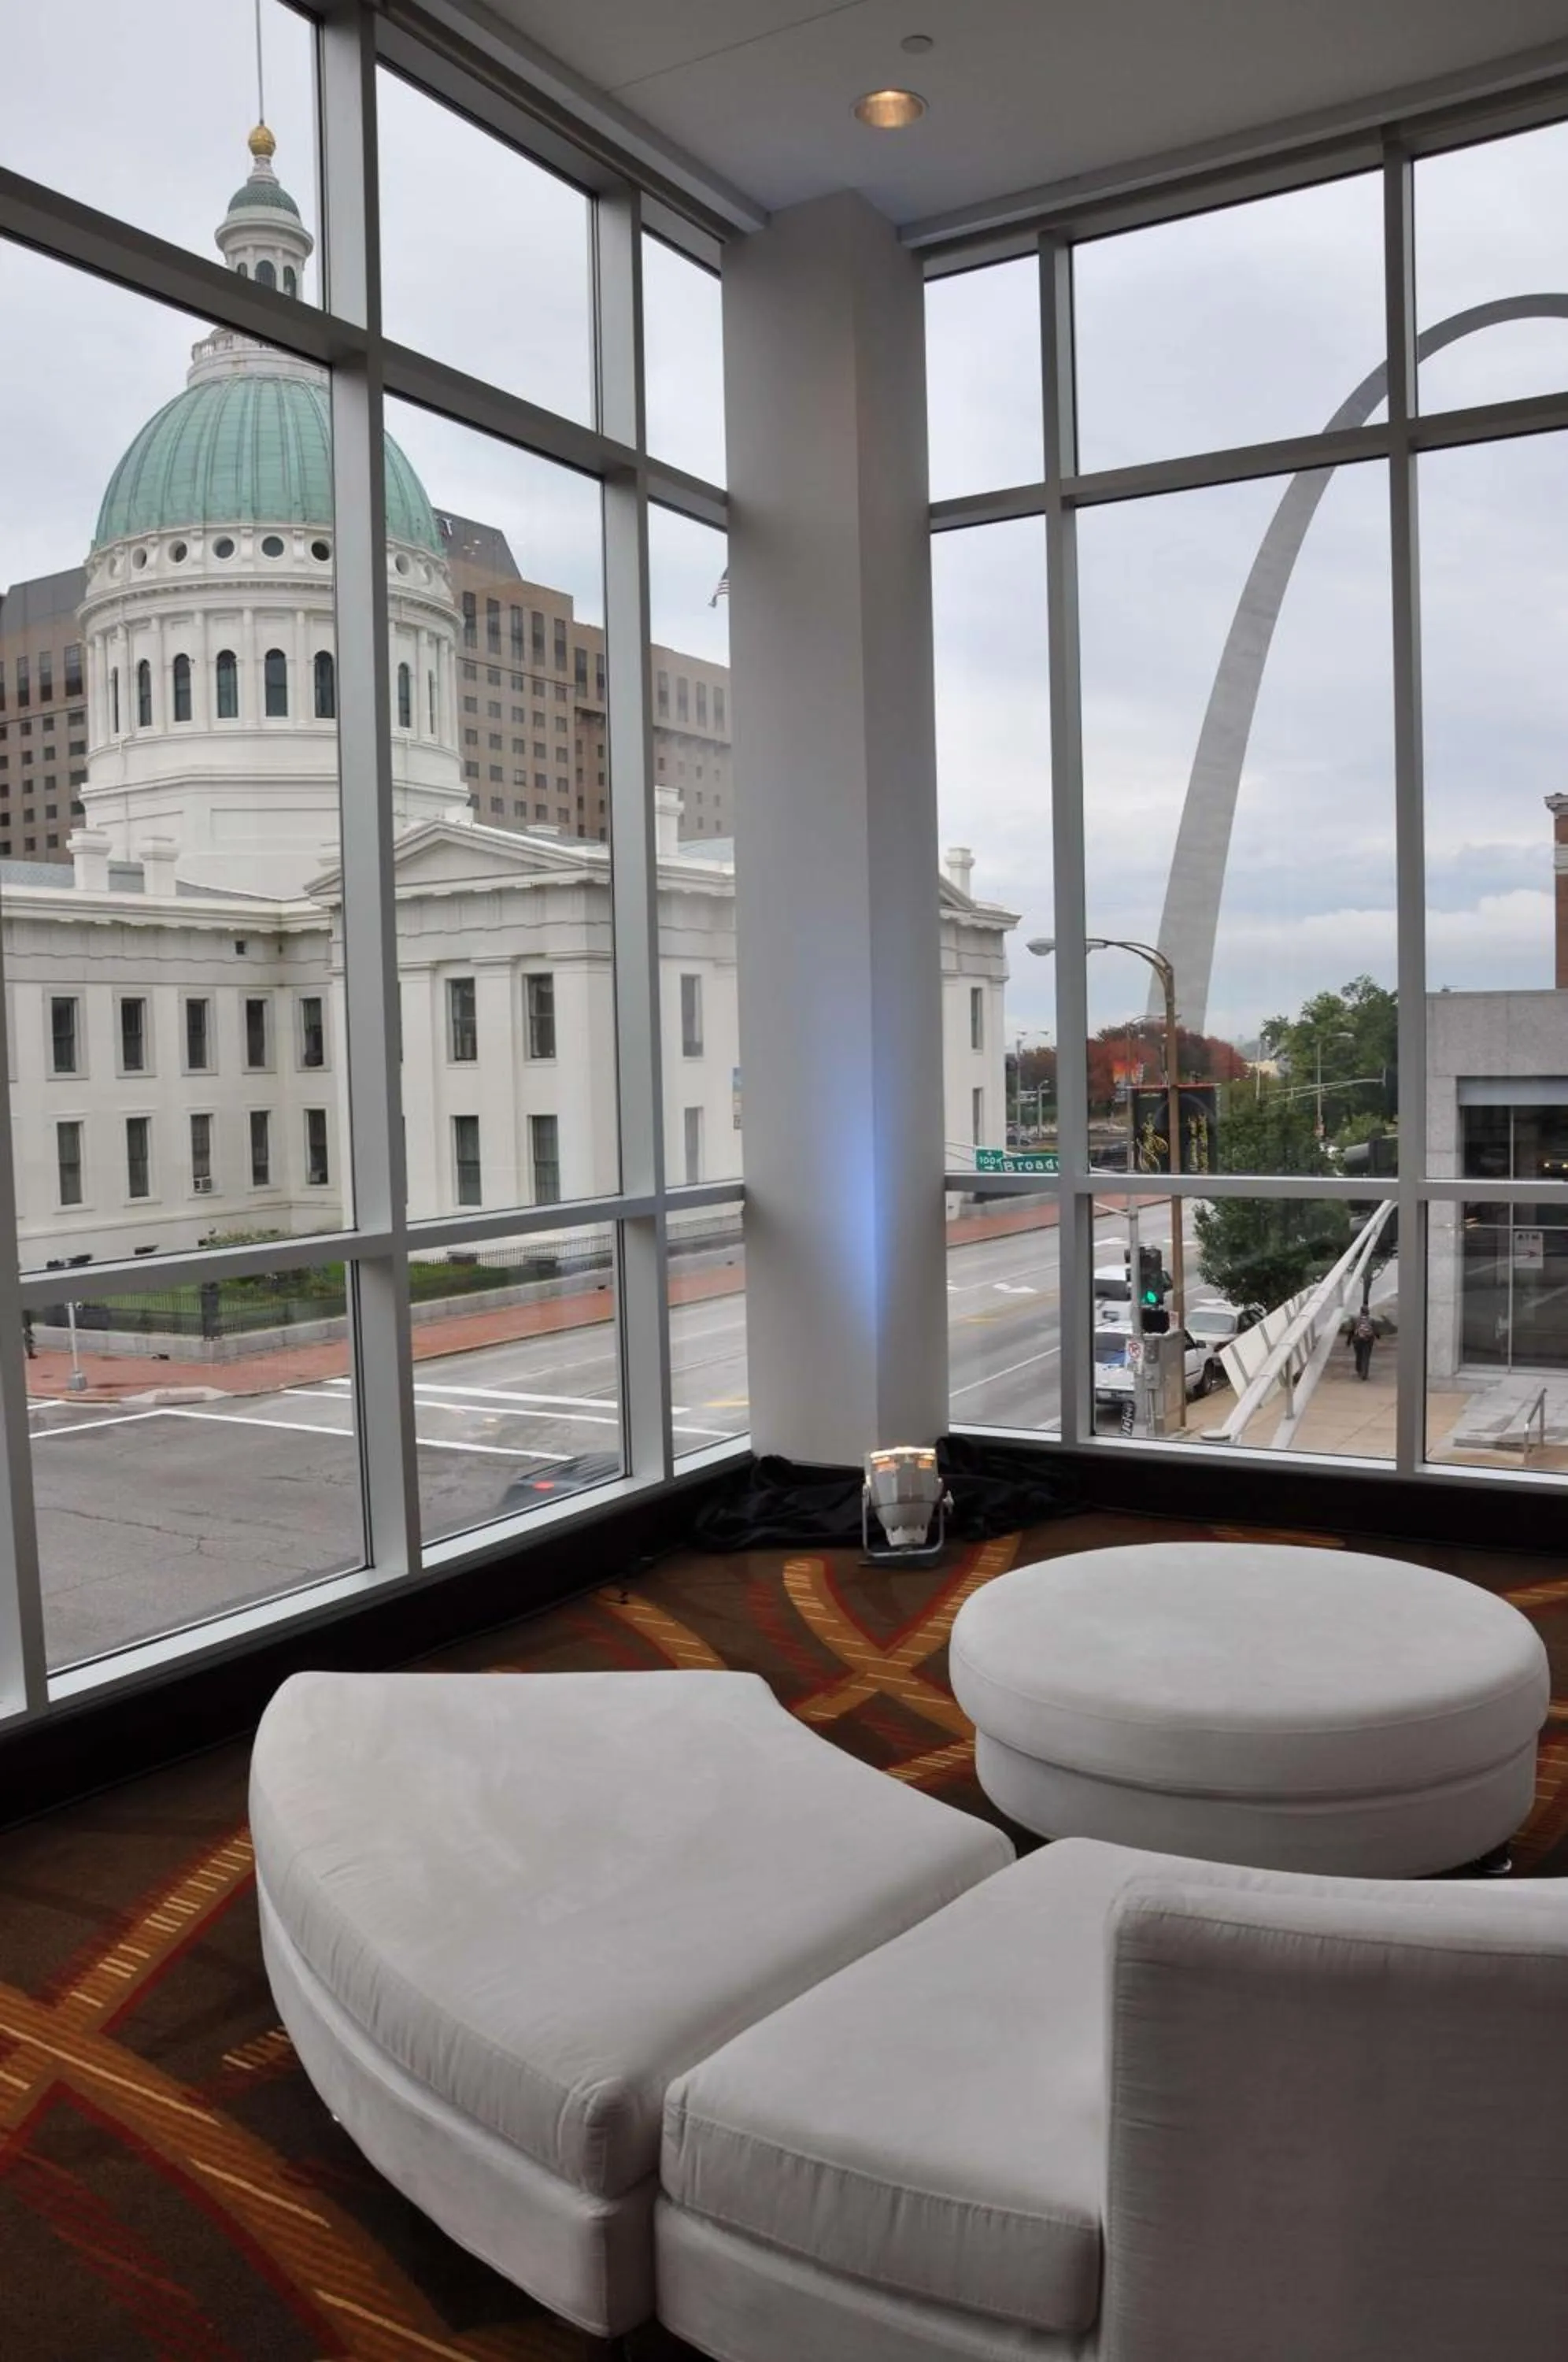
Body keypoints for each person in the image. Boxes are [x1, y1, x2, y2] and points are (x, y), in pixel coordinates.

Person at [1351, 1308, 1376, 1380]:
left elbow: (1352, 1331)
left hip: (1357, 1340)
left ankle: (1359, 1370)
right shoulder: (1371, 1320)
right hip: (1368, 1340)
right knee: (1366, 1357)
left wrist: (1349, 1341)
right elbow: (1375, 1331)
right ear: (1368, 1312)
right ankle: (1365, 1373)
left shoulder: (1356, 1320)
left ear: (1361, 1312)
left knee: (1359, 1355)